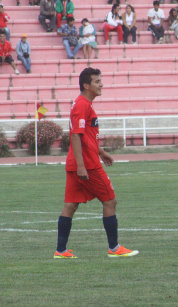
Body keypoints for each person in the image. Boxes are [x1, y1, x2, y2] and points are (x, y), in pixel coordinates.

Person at [54, 67, 139, 260]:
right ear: (86, 85)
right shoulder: (82, 105)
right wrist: (83, 165)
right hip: (87, 165)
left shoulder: (84, 104)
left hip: (77, 162)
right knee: (110, 201)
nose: (101, 84)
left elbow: (86, 137)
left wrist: (101, 152)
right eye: (97, 81)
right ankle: (114, 248)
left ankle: (60, 251)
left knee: (70, 205)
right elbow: (76, 136)